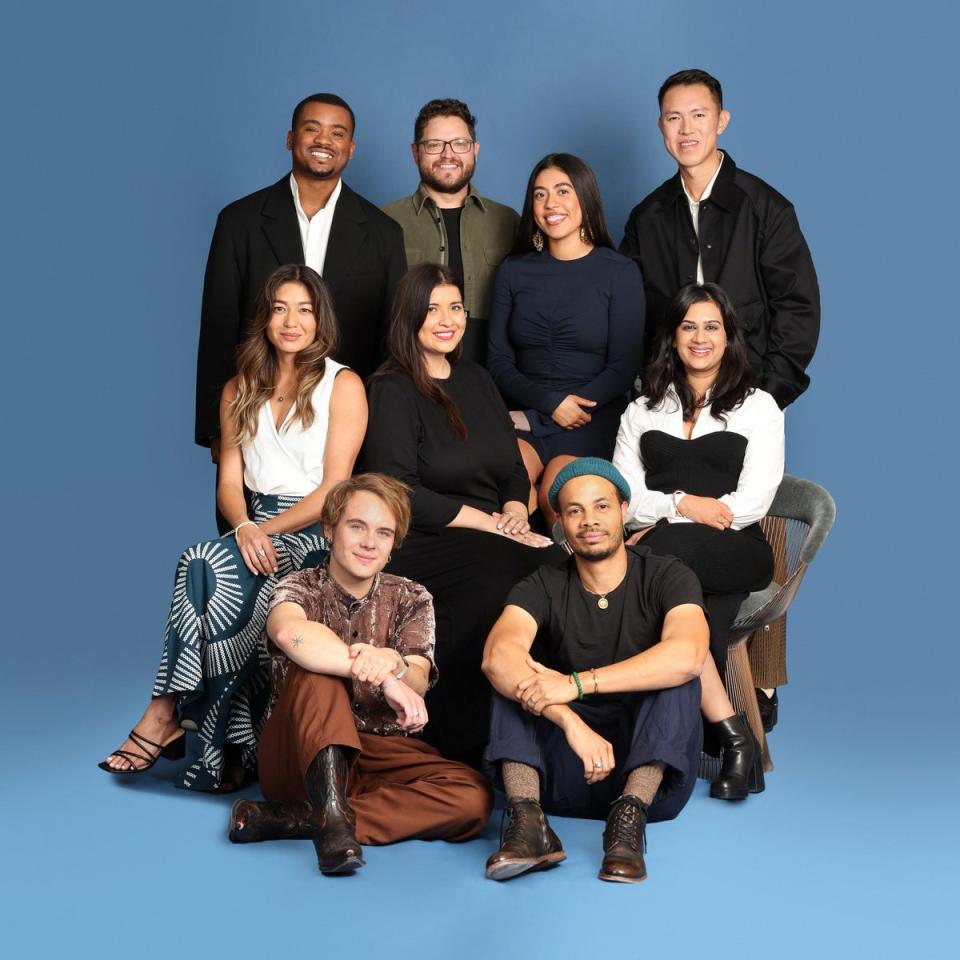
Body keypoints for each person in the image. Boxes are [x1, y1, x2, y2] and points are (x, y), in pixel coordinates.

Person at [100, 265, 367, 791]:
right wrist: (245, 524)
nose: (292, 321)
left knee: (210, 564)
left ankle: (167, 716)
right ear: (265, 319)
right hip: (254, 523)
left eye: (304, 310)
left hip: (316, 529)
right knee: (205, 563)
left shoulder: (344, 384)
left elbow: (336, 488)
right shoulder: (238, 388)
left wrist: (264, 532)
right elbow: (228, 481)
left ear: (321, 320)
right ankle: (214, 739)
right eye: (280, 308)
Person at [228, 473, 492, 875]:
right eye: (357, 526)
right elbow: (288, 631)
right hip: (298, 755)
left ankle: (301, 818)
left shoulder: (411, 596)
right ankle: (330, 822)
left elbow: (418, 679)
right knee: (318, 672)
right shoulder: (298, 585)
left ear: (393, 546)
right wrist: (378, 673)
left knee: (473, 799)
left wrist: (398, 665)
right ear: (329, 530)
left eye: (383, 533)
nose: (370, 542)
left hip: (377, 752)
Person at [362, 264, 566, 765]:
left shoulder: (476, 379)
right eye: (431, 309)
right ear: (408, 318)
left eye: (455, 307)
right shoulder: (391, 388)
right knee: (504, 572)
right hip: (426, 537)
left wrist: (517, 509)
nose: (447, 320)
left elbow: (511, 465)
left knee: (559, 571)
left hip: (496, 531)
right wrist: (494, 525)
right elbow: (399, 491)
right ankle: (461, 741)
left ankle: (541, 733)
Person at [481, 459, 706, 884]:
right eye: (574, 510)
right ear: (561, 524)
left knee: (675, 677)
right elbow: (498, 657)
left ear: (624, 509)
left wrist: (575, 684)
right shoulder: (542, 584)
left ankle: (626, 826)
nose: (589, 521)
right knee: (508, 681)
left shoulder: (667, 575)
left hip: (648, 773)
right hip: (562, 772)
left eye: (601, 507)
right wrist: (567, 718)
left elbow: (689, 655)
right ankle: (528, 825)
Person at [196, 92, 406, 531]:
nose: (323, 140)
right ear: (292, 137)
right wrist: (214, 430)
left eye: (338, 132)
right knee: (242, 561)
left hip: (347, 430)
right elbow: (218, 325)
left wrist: (384, 434)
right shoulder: (239, 221)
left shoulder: (384, 234)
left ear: (352, 148)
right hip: (259, 420)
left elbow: (391, 342)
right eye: (312, 128)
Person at [613, 282, 782, 794]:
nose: (700, 337)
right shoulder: (643, 409)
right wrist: (682, 504)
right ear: (674, 336)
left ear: (729, 337)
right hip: (674, 556)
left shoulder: (758, 407)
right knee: (682, 599)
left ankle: (695, 740)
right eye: (689, 326)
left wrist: (664, 521)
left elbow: (755, 498)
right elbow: (623, 496)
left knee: (657, 558)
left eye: (712, 326)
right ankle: (736, 741)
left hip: (737, 549)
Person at [620, 68, 819, 411]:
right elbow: (626, 311)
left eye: (699, 115)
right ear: (660, 127)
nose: (686, 129)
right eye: (674, 117)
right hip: (668, 398)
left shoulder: (766, 207)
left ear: (721, 120)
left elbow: (798, 307)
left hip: (749, 391)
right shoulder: (646, 216)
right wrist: (647, 389)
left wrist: (767, 397)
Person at [487, 153, 645, 528]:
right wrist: (548, 406)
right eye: (539, 195)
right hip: (527, 414)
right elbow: (498, 362)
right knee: (505, 490)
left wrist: (545, 415)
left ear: (585, 198)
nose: (550, 204)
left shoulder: (619, 272)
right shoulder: (514, 270)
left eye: (562, 191)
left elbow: (623, 367)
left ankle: (572, 586)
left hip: (590, 419)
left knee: (560, 494)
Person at [383, 98, 518, 364]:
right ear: (415, 152)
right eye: (434, 145)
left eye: (460, 143)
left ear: (475, 150)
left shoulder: (509, 222)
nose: (448, 154)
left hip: (492, 379)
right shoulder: (384, 221)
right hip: (410, 376)